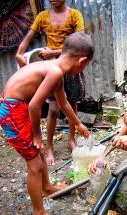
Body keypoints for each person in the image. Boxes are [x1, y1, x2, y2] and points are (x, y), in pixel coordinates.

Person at [0, 32, 94, 215]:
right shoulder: (56, 72)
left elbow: (63, 103)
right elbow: (34, 106)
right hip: (12, 111)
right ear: (82, 61)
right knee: (35, 165)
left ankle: (47, 187)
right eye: (85, 66)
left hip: (15, 107)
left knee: (38, 153)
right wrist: (37, 136)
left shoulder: (55, 68)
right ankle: (38, 211)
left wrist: (79, 125)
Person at [15, 0, 85, 166]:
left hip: (72, 65)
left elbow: (81, 43)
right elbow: (27, 38)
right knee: (53, 108)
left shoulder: (75, 15)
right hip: (52, 67)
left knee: (72, 103)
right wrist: (19, 53)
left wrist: (53, 51)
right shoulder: (43, 16)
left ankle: (71, 139)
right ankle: (49, 146)